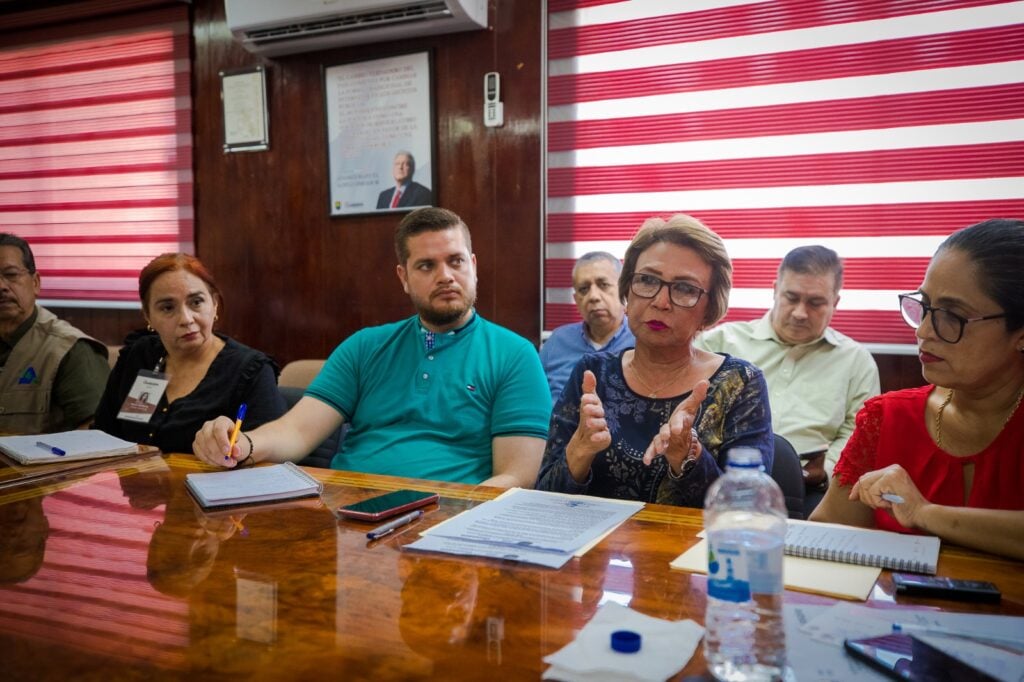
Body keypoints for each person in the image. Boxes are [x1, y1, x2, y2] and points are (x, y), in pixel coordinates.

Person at [193, 207, 551, 488]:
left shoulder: (515, 355)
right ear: (404, 278)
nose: (445, 276)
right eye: (426, 265)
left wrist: (456, 516)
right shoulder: (365, 346)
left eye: (455, 261)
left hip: (448, 519)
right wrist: (242, 445)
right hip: (349, 514)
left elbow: (517, 476)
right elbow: (298, 431)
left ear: (472, 267)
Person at [811, 218, 1024, 561]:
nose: (924, 331)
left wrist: (924, 514)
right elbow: (823, 539)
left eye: (952, 315)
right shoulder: (886, 417)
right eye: (924, 306)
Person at [535, 214, 773, 505]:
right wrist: (578, 453)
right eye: (647, 281)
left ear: (709, 308)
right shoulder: (592, 373)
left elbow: (748, 509)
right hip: (594, 548)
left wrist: (689, 459)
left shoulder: (739, 383)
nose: (661, 301)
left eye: (685, 288)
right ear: (627, 290)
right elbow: (542, 501)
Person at [695, 246, 880, 503]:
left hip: (811, 490)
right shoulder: (719, 344)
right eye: (791, 298)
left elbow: (859, 432)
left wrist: (826, 472)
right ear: (775, 291)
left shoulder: (856, 361)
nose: (800, 313)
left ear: (835, 302)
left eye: (815, 303)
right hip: (721, 476)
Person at [93, 253, 285, 453]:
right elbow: (103, 436)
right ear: (148, 316)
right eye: (168, 308)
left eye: (196, 302)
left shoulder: (251, 371)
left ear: (214, 304)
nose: (186, 319)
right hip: (130, 480)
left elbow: (268, 457)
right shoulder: (138, 356)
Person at [0, 233, 110, 434]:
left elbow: (96, 438)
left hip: (44, 464)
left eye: (11, 274)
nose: (1, 286)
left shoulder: (72, 350)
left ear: (35, 283)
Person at [539, 251, 635, 402]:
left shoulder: (642, 341)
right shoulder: (557, 342)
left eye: (603, 285)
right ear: (576, 299)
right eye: (584, 289)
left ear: (623, 290)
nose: (593, 296)